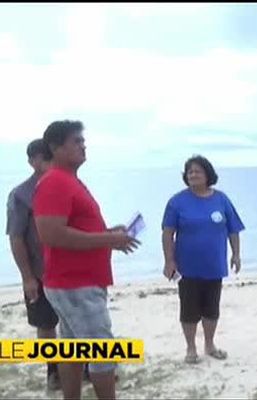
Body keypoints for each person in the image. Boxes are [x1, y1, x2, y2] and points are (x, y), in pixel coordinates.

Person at [33, 120, 140, 400]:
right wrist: (108, 240)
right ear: (56, 148)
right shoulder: (55, 182)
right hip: (74, 284)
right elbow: (51, 234)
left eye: (83, 141)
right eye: (76, 141)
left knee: (73, 350)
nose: (83, 145)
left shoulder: (69, 181)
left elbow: (75, 230)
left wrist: (109, 234)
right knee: (102, 352)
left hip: (76, 282)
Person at [162, 155, 245, 364]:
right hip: (187, 267)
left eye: (197, 170)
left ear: (208, 174)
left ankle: (210, 344)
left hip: (214, 265)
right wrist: (169, 261)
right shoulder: (177, 201)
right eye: (190, 171)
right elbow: (167, 233)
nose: (193, 174)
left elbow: (233, 230)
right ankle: (191, 348)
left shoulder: (221, 199)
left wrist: (236, 254)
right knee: (189, 309)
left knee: (212, 308)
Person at [6, 139, 60, 391]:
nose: (50, 162)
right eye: (44, 157)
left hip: (68, 269)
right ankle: (54, 371)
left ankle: (82, 366)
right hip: (39, 272)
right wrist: (27, 277)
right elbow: (16, 237)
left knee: (77, 321)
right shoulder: (21, 194)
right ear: (32, 161)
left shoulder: (65, 185)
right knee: (46, 323)